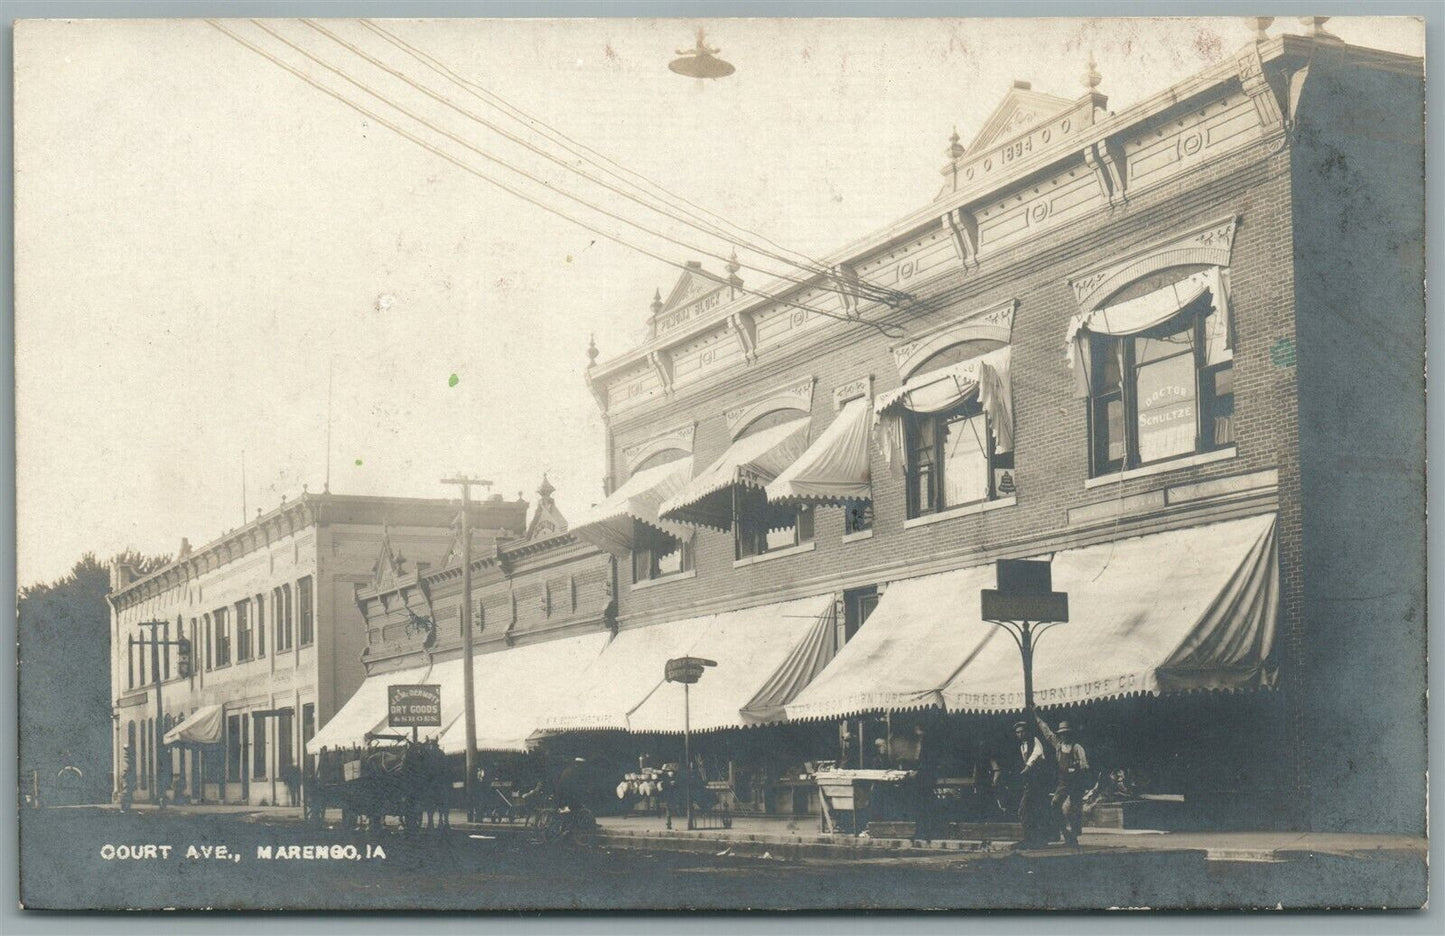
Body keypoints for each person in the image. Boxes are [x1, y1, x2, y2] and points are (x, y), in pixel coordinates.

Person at [1036, 715, 1090, 846]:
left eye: (1066, 734)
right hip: (1063, 783)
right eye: (1061, 734)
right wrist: (1037, 718)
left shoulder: (1077, 748)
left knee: (1072, 810)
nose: (1064, 736)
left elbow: (1085, 767)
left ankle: (1073, 837)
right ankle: (1065, 833)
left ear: (1070, 734)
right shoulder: (1059, 746)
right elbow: (1048, 734)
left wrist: (1076, 769)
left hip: (1075, 783)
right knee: (1055, 805)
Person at [1012, 720, 1054, 847]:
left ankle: (1038, 839)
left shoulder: (1035, 741)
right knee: (1028, 810)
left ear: (1027, 731)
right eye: (1017, 732)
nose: (1020, 734)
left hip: (1039, 782)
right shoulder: (1021, 746)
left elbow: (1035, 756)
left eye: (1022, 731)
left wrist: (1027, 768)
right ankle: (1031, 838)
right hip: (1030, 783)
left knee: (1028, 809)